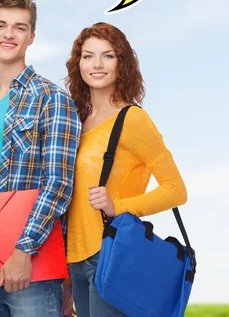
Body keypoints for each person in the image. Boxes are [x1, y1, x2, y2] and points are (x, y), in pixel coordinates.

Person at [0, 0, 81, 317]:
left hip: (30, 260)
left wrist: (23, 249)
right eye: (1, 25)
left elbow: (58, 184)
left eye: (19, 27)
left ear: (31, 37)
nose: (9, 34)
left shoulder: (51, 98)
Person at [63, 22, 188, 317]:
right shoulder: (74, 121)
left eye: (107, 56)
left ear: (122, 63)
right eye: (88, 56)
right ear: (77, 63)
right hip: (74, 259)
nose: (97, 64)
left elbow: (176, 190)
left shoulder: (132, 120)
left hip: (110, 256)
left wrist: (117, 205)